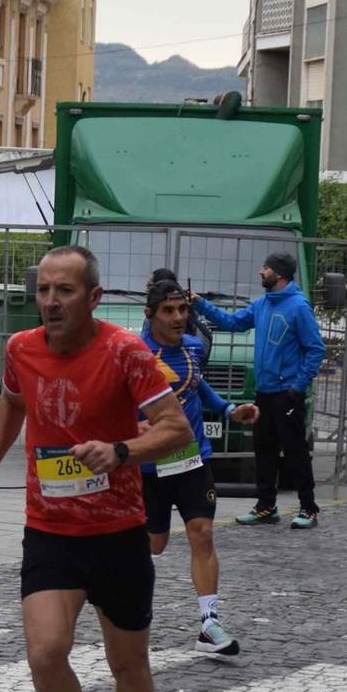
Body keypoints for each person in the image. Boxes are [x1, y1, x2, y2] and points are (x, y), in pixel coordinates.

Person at [0, 246, 195, 692]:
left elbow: (175, 429)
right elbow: (14, 401)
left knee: (129, 666)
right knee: (44, 653)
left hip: (117, 534)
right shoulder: (21, 349)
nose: (49, 302)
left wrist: (120, 451)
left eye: (63, 291)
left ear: (92, 298)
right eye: (43, 290)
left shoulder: (125, 352)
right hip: (51, 530)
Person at [139, 278, 260, 657]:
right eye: (169, 311)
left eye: (183, 310)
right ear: (151, 315)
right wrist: (129, 428)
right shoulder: (135, 354)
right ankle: (124, 602)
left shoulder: (193, 347)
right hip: (150, 466)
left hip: (192, 459)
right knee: (153, 545)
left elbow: (197, 386)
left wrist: (228, 409)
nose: (179, 318)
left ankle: (209, 624)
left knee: (202, 532)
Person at [190, 251, 327, 531]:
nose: (261, 272)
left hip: (286, 393)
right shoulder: (263, 304)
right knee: (263, 449)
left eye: (266, 268)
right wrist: (200, 304)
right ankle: (266, 506)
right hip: (264, 392)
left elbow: (316, 349)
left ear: (280, 273)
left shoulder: (299, 307)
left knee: (295, 452)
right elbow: (233, 323)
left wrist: (297, 386)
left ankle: (308, 508)